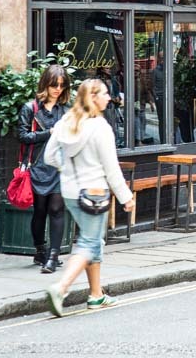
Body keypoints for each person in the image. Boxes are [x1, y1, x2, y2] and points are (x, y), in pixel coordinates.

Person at [43, 79, 136, 317]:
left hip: (70, 192)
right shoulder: (100, 128)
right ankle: (60, 288)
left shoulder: (66, 121)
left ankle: (96, 295)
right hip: (94, 193)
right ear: (93, 97)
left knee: (92, 239)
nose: (109, 97)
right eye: (105, 93)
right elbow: (111, 168)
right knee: (89, 243)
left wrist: (67, 172)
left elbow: (49, 157)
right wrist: (126, 197)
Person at [17, 64, 71, 274]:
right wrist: (49, 132)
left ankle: (54, 256)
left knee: (57, 209)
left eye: (61, 85)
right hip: (38, 167)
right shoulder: (30, 109)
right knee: (39, 212)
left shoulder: (65, 110)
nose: (57, 89)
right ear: (45, 85)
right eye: (53, 85)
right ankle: (41, 250)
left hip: (58, 167)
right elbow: (22, 136)